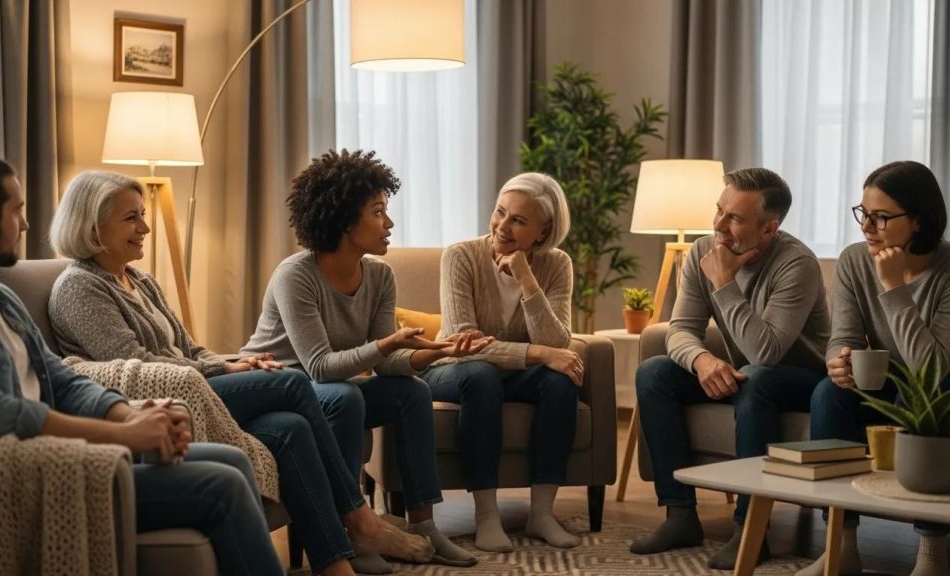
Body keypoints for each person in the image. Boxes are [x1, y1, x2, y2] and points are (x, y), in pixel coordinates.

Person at [47, 170, 432, 576]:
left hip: (197, 381)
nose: (145, 227)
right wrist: (220, 368)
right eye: (131, 218)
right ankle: (357, 517)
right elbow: (139, 365)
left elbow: (188, 346)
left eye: (143, 215)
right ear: (92, 226)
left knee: (289, 427)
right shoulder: (79, 287)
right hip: (162, 401)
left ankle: (334, 563)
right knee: (294, 381)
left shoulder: (139, 281)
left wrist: (231, 364)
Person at [0, 152, 283, 575]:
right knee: (221, 483)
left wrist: (130, 413)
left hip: (55, 449)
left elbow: (61, 378)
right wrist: (121, 434)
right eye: (18, 211)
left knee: (234, 460)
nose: (26, 224)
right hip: (18, 472)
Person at [241, 149, 488, 572]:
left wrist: (437, 351)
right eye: (378, 212)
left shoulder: (379, 275)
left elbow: (385, 362)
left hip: (330, 389)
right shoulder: (295, 275)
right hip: (281, 389)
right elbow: (318, 366)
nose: (389, 223)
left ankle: (424, 525)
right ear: (343, 218)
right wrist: (389, 344)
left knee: (410, 392)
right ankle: (349, 529)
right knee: (343, 396)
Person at [630, 167, 830, 570]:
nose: (719, 224)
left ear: (769, 227)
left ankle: (750, 531)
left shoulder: (797, 265)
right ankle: (680, 515)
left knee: (757, 378)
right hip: (750, 373)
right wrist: (702, 359)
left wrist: (724, 282)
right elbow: (681, 330)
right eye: (719, 210)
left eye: (735, 218)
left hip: (805, 380)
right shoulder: (703, 251)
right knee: (654, 373)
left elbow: (767, 351)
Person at [797, 161, 950, 576]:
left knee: (921, 396)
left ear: (918, 221)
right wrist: (840, 361)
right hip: (886, 379)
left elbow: (932, 366)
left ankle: (931, 553)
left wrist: (893, 287)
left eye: (881, 217)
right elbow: (843, 334)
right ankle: (841, 545)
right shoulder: (854, 260)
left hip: (943, 385)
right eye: (863, 213)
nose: (867, 226)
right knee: (827, 393)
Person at [420, 172, 583, 552]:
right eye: (500, 212)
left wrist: (528, 280)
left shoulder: (556, 264)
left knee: (560, 382)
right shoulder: (461, 255)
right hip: (451, 369)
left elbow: (558, 341)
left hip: (511, 374)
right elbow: (465, 342)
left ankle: (542, 513)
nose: (502, 226)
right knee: (481, 375)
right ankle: (486, 516)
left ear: (542, 232)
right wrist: (538, 354)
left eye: (518, 220)